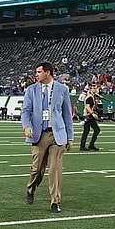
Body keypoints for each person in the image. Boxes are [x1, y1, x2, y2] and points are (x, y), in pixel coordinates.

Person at [21, 62, 74, 213]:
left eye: (39, 72)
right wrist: (27, 126)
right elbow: (25, 111)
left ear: (48, 73)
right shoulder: (31, 90)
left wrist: (70, 137)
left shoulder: (62, 89)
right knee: (37, 169)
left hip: (58, 134)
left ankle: (55, 202)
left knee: (55, 169)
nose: (36, 74)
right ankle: (31, 189)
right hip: (39, 134)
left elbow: (67, 115)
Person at [80, 85, 101, 151]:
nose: (95, 89)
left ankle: (91, 145)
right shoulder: (89, 97)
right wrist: (93, 113)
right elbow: (87, 107)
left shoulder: (92, 96)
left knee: (96, 130)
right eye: (93, 88)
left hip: (90, 116)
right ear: (90, 89)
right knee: (86, 131)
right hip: (88, 116)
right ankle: (82, 146)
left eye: (96, 88)